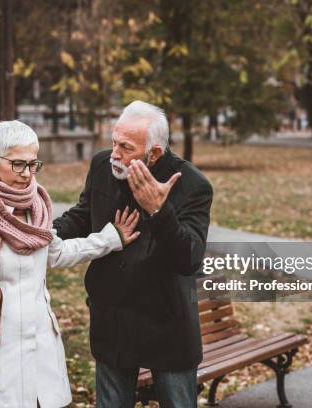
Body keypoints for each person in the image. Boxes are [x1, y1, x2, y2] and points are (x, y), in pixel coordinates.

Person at [0, 120, 140, 408]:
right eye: (18, 164)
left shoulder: (36, 207)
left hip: (40, 352)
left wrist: (110, 238)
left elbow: (56, 253)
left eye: (33, 164)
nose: (28, 174)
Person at [53, 100, 213, 407]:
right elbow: (83, 214)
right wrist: (47, 232)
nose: (115, 153)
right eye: (114, 142)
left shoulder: (192, 185)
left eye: (125, 147)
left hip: (166, 325)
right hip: (112, 320)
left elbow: (189, 259)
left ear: (153, 153)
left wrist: (159, 209)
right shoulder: (103, 166)